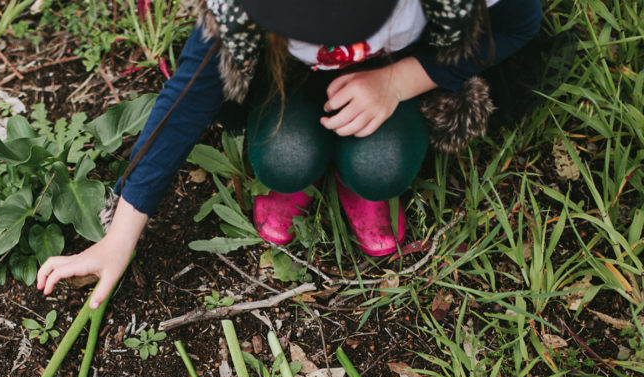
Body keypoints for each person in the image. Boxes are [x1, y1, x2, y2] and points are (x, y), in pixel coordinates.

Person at [37, 0, 543, 308]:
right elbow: (188, 99)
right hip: (290, 78)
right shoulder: (239, 11)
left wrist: (398, 80)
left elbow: (517, 26)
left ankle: (354, 176)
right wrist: (119, 237)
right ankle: (301, 173)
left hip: (400, 74)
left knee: (379, 167)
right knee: (284, 159)